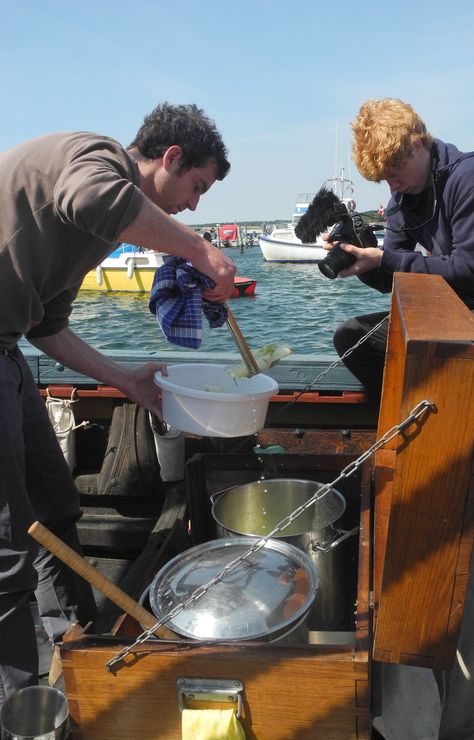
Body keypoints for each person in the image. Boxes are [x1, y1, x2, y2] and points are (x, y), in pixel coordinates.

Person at [0, 102, 236, 705]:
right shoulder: (98, 159)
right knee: (5, 550)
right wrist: (200, 252)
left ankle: (76, 643)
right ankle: (22, 708)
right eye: (196, 186)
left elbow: (47, 327)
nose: (195, 204)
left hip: (6, 349)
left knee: (54, 502)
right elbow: (93, 197)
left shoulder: (95, 233)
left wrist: (124, 380)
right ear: (170, 158)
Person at [330, 97, 474, 403]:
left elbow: (466, 272)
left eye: (395, 171)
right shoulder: (402, 199)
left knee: (440, 343)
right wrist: (359, 258)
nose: (392, 186)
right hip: (452, 318)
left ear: (419, 144)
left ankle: (434, 426)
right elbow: (390, 280)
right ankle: (409, 417)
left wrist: (384, 258)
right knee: (352, 337)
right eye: (385, 179)